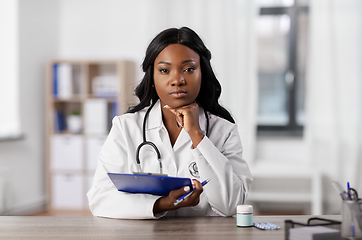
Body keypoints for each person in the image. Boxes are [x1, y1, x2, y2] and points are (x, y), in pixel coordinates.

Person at [87, 27, 252, 219]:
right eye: (165, 70)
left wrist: (198, 136)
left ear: (202, 74)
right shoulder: (125, 128)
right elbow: (100, 198)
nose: (177, 80)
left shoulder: (225, 131)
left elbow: (232, 205)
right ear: (153, 77)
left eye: (189, 69)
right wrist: (162, 204)